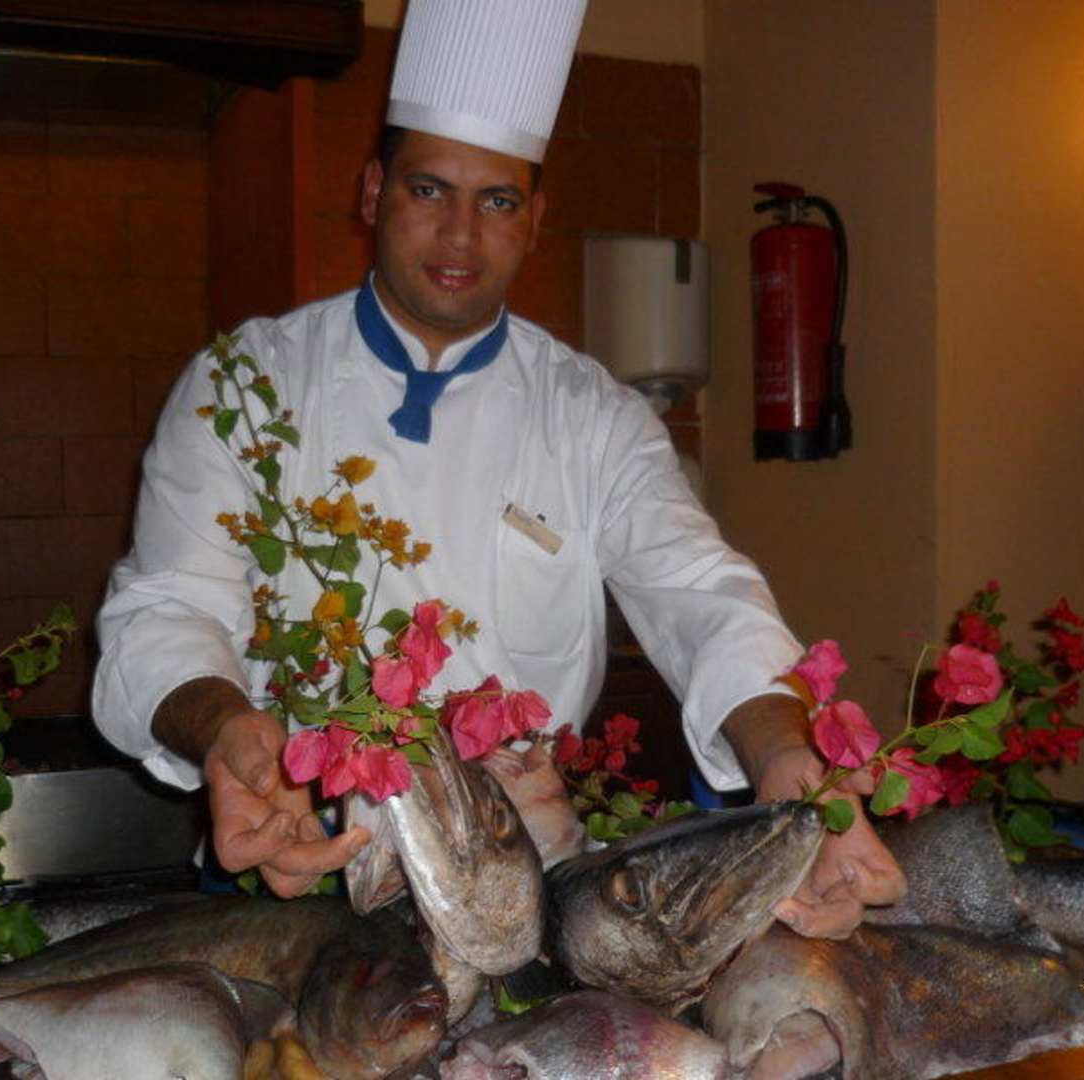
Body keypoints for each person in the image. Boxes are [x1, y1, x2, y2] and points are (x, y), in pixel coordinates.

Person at [92, 0, 903, 940]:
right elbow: (167, 608)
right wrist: (229, 733)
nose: (461, 236)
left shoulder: (593, 416)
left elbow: (702, 595)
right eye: (429, 189)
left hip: (524, 890)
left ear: (535, 218)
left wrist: (782, 756)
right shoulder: (246, 384)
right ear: (372, 192)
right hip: (295, 871)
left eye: (498, 201)